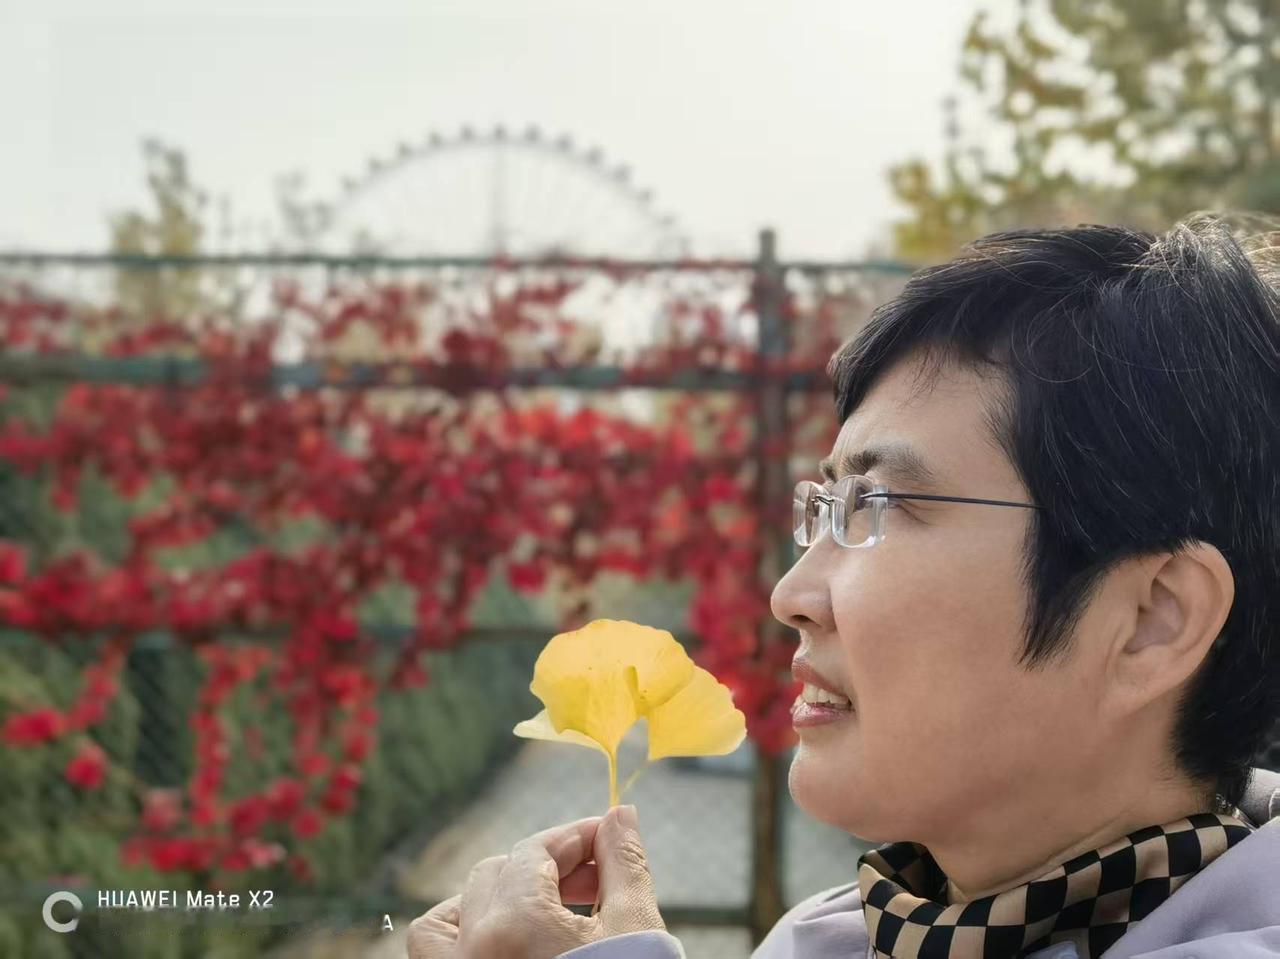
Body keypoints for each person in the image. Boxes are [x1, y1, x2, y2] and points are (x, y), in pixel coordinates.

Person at [406, 217, 1280, 959]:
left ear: (1153, 619)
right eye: (823, 506)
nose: (792, 592)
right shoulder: (827, 937)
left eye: (884, 503)